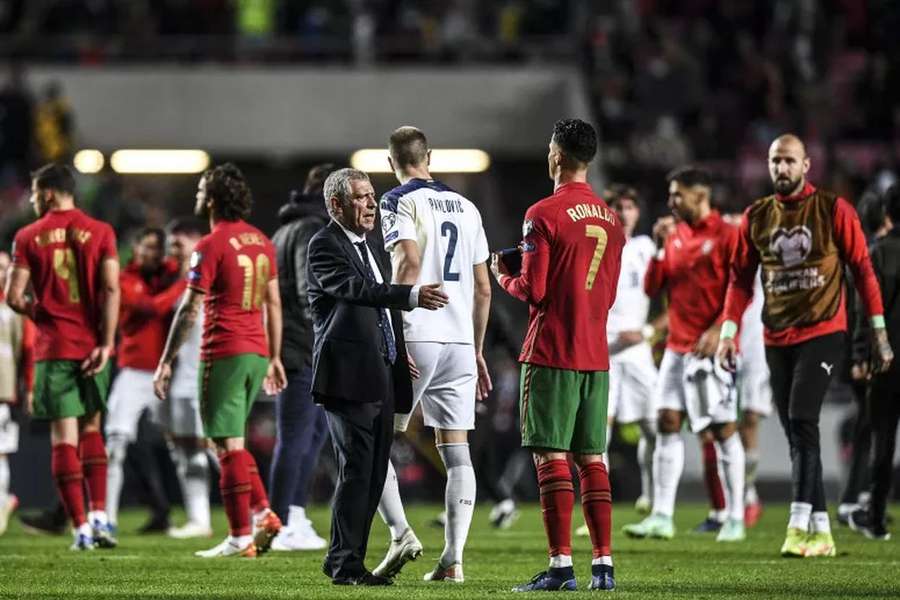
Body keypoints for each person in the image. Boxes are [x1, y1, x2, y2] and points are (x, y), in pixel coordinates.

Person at [717, 134, 893, 558]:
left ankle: (798, 523)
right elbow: (739, 281)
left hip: (823, 332)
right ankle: (822, 530)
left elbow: (864, 272)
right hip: (776, 335)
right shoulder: (757, 216)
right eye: (776, 161)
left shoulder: (833, 210)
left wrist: (878, 330)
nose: (781, 168)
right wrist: (728, 332)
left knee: (801, 416)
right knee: (797, 431)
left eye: (789, 161)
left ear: (806, 165)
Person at [492, 118, 624, 592]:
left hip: (551, 352)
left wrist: (501, 275)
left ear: (557, 156)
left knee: (551, 459)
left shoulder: (542, 214)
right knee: (593, 459)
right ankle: (604, 568)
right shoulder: (612, 218)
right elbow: (606, 297)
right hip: (596, 355)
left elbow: (534, 288)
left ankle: (561, 568)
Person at [307, 167, 448, 585]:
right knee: (356, 471)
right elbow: (357, 291)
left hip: (379, 371)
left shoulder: (365, 246)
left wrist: (395, 352)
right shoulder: (324, 245)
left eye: (372, 196)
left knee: (369, 474)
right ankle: (345, 564)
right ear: (336, 205)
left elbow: (377, 312)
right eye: (361, 198)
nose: (371, 204)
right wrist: (411, 295)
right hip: (347, 377)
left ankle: (345, 560)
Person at [372, 126, 492, 583]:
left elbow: (406, 262)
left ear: (391, 162)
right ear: (430, 157)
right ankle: (453, 560)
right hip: (461, 340)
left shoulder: (397, 200)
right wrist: (477, 349)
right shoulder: (467, 206)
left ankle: (401, 533)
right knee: (456, 450)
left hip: (418, 329)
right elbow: (483, 288)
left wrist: (397, 337)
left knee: (376, 439)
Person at [153, 163, 287, 558]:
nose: (196, 195)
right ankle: (263, 514)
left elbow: (190, 309)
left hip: (224, 351)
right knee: (233, 442)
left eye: (200, 189)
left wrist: (166, 359)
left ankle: (239, 536)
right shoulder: (261, 240)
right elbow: (273, 302)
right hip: (256, 352)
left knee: (223, 444)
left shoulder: (209, 246)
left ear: (211, 198)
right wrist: (275, 356)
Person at [623, 166, 747, 544]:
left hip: (713, 348)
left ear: (700, 195)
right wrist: (660, 248)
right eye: (671, 194)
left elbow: (740, 290)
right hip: (677, 348)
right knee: (666, 422)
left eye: (678, 194)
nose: (671, 201)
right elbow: (651, 287)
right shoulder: (673, 235)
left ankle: (735, 516)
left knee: (722, 430)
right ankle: (662, 515)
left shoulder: (727, 234)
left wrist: (718, 331)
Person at [5, 163, 120, 550]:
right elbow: (110, 288)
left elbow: (12, 296)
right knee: (92, 430)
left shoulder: (27, 236)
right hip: (92, 346)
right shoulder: (101, 232)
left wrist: (41, 313)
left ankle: (80, 528)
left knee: (62, 439)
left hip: (54, 348)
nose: (34, 201)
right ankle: (102, 515)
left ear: (48, 193)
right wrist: (105, 343)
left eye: (36, 194)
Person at [267, 164, 335, 551]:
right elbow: (310, 292)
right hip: (303, 344)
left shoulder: (283, 230)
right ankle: (279, 520)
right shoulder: (310, 230)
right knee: (296, 436)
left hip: (294, 343)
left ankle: (291, 514)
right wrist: (326, 336)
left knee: (308, 435)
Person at [105, 227, 185, 533]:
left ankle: (205, 518)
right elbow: (150, 308)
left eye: (156, 248)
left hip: (171, 374)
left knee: (195, 444)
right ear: (136, 248)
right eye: (146, 246)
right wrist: (184, 286)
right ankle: (107, 519)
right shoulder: (126, 279)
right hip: (135, 373)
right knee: (116, 443)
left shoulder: (167, 274)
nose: (150, 253)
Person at [601, 185, 658, 515]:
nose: (623, 213)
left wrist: (649, 331)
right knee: (599, 434)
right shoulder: (595, 245)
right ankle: (600, 508)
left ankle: (650, 497)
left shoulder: (646, 248)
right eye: (616, 206)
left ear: (637, 212)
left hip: (636, 351)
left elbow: (671, 296)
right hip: (603, 350)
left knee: (653, 427)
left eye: (629, 207)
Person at [848, 183, 900, 540]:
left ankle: (877, 518)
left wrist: (861, 354)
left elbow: (865, 309)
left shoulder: (879, 254)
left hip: (887, 362)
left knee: (883, 441)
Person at [162, 217, 214, 539]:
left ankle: (258, 513)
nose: (174, 252)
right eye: (172, 247)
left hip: (206, 375)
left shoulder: (210, 277)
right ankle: (199, 519)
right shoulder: (174, 282)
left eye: (179, 245)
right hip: (180, 377)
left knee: (218, 446)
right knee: (183, 449)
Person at [0, 250, 34, 535]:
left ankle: (1, 502)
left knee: (0, 453)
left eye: (2, 267)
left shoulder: (16, 310)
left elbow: (29, 351)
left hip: (2, 393)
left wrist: (30, 389)